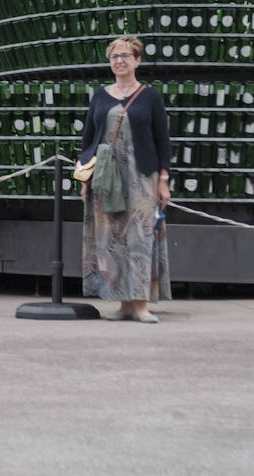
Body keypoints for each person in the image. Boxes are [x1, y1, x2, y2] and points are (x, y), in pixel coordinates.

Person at [78, 35, 172, 322]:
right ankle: (124, 304)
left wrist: (163, 180)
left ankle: (141, 304)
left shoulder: (150, 96)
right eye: (114, 56)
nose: (119, 61)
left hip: (141, 177)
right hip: (107, 179)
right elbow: (88, 139)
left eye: (125, 56)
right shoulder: (100, 95)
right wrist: (85, 179)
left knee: (140, 238)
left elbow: (162, 140)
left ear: (137, 60)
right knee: (112, 240)